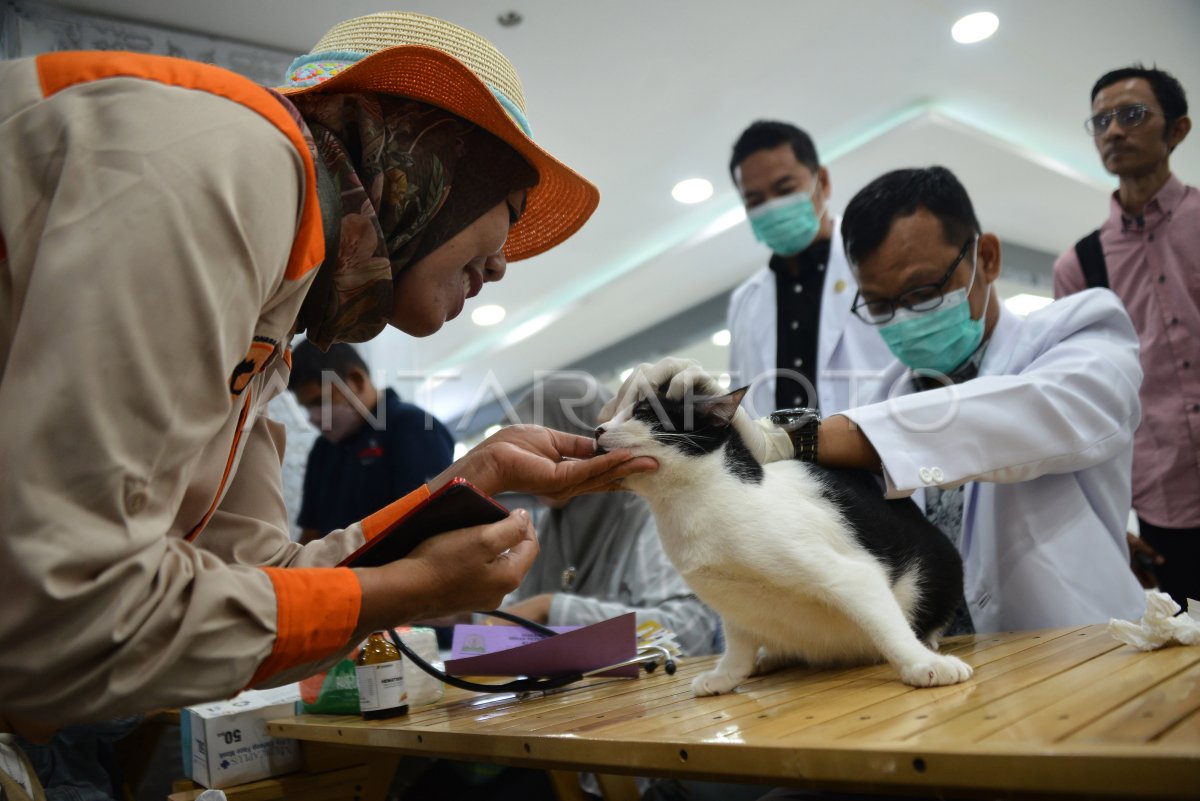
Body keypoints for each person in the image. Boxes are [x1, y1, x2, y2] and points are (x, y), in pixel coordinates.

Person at [0, 10, 655, 772]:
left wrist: (461, 487)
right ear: (438, 156)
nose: (506, 263)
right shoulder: (231, 165)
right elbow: (60, 614)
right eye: (507, 212)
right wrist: (407, 589)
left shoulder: (272, 312)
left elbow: (260, 583)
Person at [606, 166, 1147, 634]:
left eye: (922, 292)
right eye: (881, 306)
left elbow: (1033, 415)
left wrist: (794, 435)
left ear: (986, 257)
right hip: (931, 664)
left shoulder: (1081, 332)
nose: (905, 317)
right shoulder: (878, 397)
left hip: (1076, 645)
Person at [1053, 64, 1199, 608]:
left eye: (1132, 115)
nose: (1113, 131)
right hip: (1163, 506)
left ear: (1177, 129)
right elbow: (1083, 403)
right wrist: (1108, 521)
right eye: (1100, 122)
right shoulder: (1080, 265)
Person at [499, 374, 720, 657]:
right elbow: (514, 617)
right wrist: (462, 612)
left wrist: (554, 608)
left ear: (581, 441)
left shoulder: (649, 512)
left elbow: (688, 630)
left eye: (538, 451)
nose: (525, 470)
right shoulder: (549, 524)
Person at [726, 121, 893, 418]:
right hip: (780, 464)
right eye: (754, 200)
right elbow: (741, 408)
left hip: (877, 454)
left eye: (785, 189)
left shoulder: (878, 262)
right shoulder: (745, 301)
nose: (772, 207)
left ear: (823, 182)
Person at [289, 340, 455, 544]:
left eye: (319, 402)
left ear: (357, 380)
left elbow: (428, 524)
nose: (313, 416)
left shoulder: (415, 426)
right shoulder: (323, 450)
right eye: (307, 407)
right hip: (336, 573)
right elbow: (310, 534)